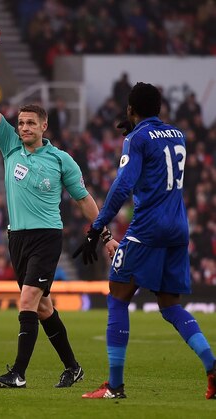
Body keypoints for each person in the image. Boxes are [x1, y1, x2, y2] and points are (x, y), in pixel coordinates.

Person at [0, 44, 118, 389]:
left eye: (30, 123)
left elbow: (84, 200)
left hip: (46, 237)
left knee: (26, 300)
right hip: (17, 239)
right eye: (21, 122)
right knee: (42, 308)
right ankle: (73, 368)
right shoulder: (10, 145)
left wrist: (104, 235)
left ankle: (19, 374)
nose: (23, 127)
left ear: (44, 126)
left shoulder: (61, 160)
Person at [75, 82, 216, 400]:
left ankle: (114, 385)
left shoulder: (136, 138)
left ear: (130, 110)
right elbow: (157, 151)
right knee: (170, 306)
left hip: (148, 228)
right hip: (179, 228)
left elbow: (123, 185)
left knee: (118, 296)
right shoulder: (177, 135)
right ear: (160, 108)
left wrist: (96, 228)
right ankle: (212, 366)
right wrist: (138, 127)